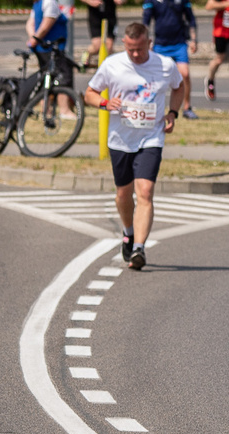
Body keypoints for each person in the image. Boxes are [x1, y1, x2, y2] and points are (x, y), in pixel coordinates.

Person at [84, 22, 185, 271]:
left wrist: (172, 113)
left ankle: (139, 247)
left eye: (139, 49)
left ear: (149, 43)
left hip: (151, 138)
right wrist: (105, 103)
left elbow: (179, 86)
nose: (135, 55)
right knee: (123, 194)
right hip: (120, 139)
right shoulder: (112, 65)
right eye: (130, 50)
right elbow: (89, 93)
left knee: (146, 192)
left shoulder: (165, 65)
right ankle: (128, 232)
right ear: (124, 46)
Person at [143, 0, 200, 119]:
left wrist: (193, 39)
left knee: (185, 74)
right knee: (155, 77)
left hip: (179, 44)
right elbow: (146, 21)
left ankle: (187, 108)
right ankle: (151, 107)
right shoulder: (152, 1)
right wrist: (145, 41)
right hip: (160, 45)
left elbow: (191, 19)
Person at [26, 0, 75, 117]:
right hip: (52, 48)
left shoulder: (38, 4)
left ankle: (45, 109)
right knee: (63, 76)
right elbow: (48, 22)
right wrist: (36, 38)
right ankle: (64, 110)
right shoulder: (49, 2)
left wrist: (33, 39)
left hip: (41, 48)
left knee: (46, 79)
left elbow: (29, 24)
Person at [80, 0, 123, 70]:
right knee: (97, 45)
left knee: (109, 46)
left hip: (110, 16)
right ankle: (87, 54)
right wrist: (90, 1)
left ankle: (105, 67)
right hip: (95, 16)